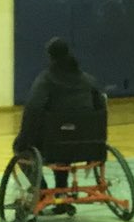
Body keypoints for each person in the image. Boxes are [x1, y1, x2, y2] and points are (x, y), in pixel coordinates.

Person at [14, 38, 103, 199]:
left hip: (53, 143)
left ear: (50, 56)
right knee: (66, 141)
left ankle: (40, 190)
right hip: (87, 143)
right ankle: (61, 190)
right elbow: (101, 109)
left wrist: (24, 139)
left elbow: (33, 109)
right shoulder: (88, 80)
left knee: (21, 148)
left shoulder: (46, 80)